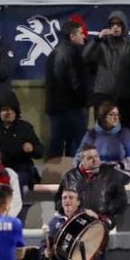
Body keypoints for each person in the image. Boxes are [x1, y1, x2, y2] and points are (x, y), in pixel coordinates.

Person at [41, 187, 112, 260]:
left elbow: (108, 224)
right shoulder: (55, 221)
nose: (67, 200)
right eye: (64, 198)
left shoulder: (87, 216)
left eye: (71, 197)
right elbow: (44, 244)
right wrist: (45, 252)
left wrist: (98, 217)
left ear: (78, 202)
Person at [83, 10, 130, 135]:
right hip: (103, 96)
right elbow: (85, 58)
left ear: (124, 26)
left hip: (126, 97)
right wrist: (97, 39)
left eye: (119, 24)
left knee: (127, 132)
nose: (115, 27)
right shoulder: (101, 44)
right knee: (102, 132)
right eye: (112, 24)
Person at [45, 19, 90, 158]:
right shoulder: (74, 54)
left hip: (55, 110)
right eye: (81, 33)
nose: (84, 36)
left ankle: (51, 178)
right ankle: (74, 179)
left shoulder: (52, 53)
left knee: (56, 148)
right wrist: (85, 101)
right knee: (77, 149)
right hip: (73, 109)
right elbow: (77, 84)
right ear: (72, 36)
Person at [56, 144, 128, 227]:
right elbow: (58, 199)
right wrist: (71, 211)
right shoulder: (70, 176)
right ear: (81, 160)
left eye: (96, 156)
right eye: (90, 158)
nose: (95, 160)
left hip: (103, 220)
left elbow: (121, 201)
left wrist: (101, 213)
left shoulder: (112, 175)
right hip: (76, 220)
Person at [74, 101, 130, 177]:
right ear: (103, 117)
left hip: (118, 172)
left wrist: (121, 165)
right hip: (96, 172)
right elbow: (79, 156)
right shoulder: (92, 134)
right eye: (111, 115)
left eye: (117, 115)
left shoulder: (124, 133)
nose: (115, 118)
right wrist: (86, 165)